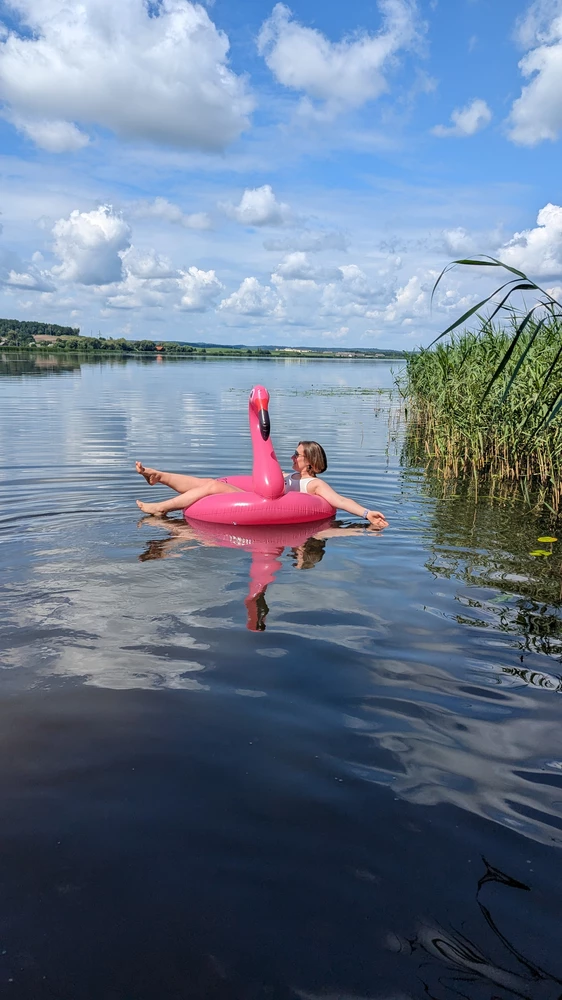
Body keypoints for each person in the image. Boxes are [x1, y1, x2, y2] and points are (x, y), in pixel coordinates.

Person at [135, 440, 389, 529]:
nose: (292, 457)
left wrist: (367, 515)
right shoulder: (290, 477)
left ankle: (161, 508)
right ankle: (159, 475)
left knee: (212, 486)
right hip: (258, 498)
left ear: (309, 462)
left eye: (296, 455)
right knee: (207, 483)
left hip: (266, 506)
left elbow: (341, 501)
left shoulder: (314, 485)